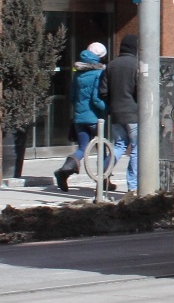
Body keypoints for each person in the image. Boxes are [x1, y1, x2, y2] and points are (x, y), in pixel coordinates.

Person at [54, 42, 109, 193]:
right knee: (102, 148)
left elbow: (72, 97)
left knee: (83, 147)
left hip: (79, 117)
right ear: (100, 57)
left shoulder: (78, 72)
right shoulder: (99, 73)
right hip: (95, 118)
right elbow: (96, 99)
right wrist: (107, 109)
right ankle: (103, 181)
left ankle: (66, 167)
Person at [100, 35, 139, 194]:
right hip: (134, 113)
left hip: (116, 113)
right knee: (137, 149)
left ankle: (102, 173)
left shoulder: (111, 65)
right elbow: (141, 91)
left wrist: (112, 105)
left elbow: (103, 92)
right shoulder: (137, 65)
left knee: (119, 146)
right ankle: (133, 186)